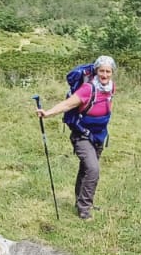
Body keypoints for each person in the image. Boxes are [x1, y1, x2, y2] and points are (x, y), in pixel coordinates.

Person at [37, 54, 116, 220]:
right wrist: (47, 113)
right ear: (96, 71)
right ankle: (84, 210)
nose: (105, 75)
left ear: (112, 72)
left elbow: (109, 104)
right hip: (82, 135)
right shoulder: (88, 89)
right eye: (101, 71)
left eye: (108, 71)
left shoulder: (110, 87)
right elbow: (67, 104)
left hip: (99, 136)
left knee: (86, 169)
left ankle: (81, 201)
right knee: (93, 170)